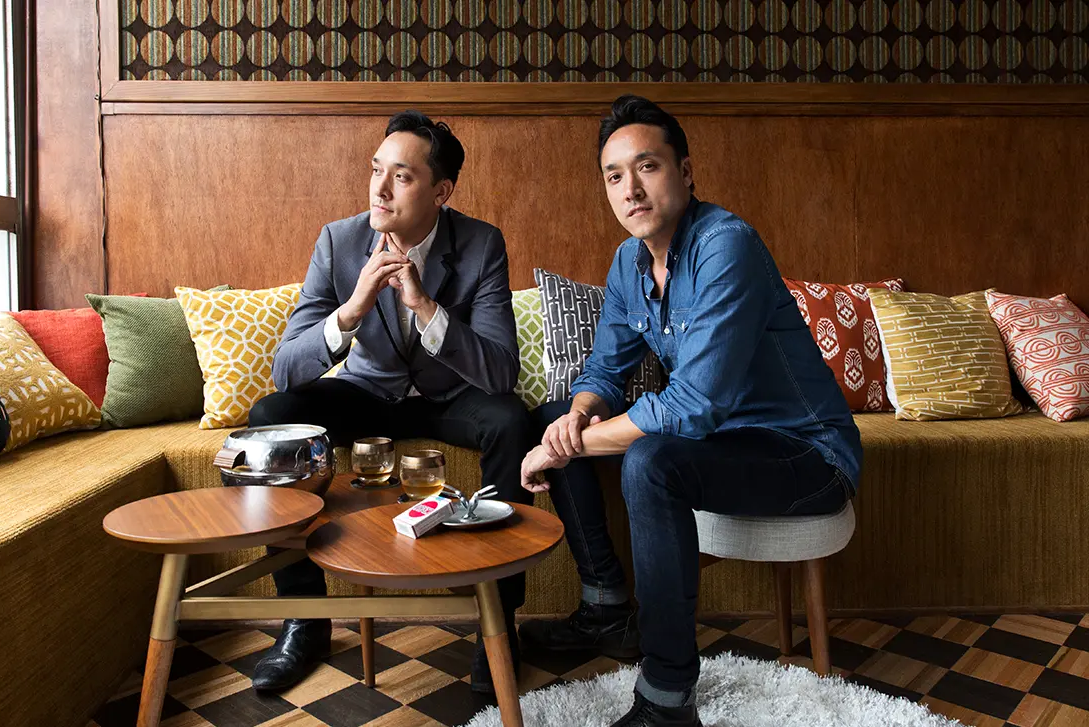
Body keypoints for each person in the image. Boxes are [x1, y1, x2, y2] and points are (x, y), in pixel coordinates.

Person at [517, 95, 863, 727]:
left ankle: (666, 702)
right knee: (560, 407)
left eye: (646, 166)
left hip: (808, 453)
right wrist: (577, 415)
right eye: (614, 176)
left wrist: (566, 447)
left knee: (650, 462)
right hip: (730, 448)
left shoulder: (726, 244)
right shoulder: (628, 262)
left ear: (685, 171)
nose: (631, 189)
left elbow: (696, 403)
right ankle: (607, 608)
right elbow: (603, 369)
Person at [247, 110, 533, 694]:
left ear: (441, 191)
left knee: (511, 420)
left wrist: (425, 305)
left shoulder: (481, 244)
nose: (379, 188)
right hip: (365, 392)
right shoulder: (339, 240)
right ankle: (304, 620)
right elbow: (284, 371)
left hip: (446, 398)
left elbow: (502, 371)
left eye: (400, 177)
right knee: (268, 420)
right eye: (376, 170)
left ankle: (498, 625)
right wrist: (349, 312)